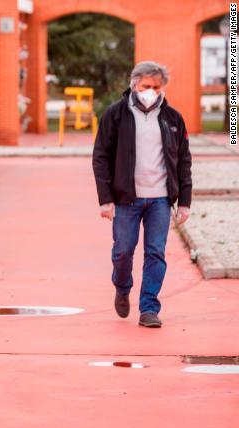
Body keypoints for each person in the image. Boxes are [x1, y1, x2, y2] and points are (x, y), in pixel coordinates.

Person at [92, 61, 192, 328]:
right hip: (127, 198)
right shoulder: (115, 115)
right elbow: (100, 157)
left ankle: (149, 308)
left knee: (155, 253)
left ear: (163, 88)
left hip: (160, 199)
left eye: (156, 87)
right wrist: (105, 198)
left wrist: (185, 202)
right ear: (134, 83)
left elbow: (183, 160)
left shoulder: (173, 118)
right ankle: (122, 288)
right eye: (146, 86)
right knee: (123, 251)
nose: (151, 91)